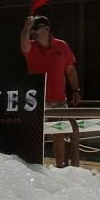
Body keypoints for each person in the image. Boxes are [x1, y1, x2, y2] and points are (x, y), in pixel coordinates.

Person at [20, 14, 81, 167]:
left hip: (59, 99)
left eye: (36, 28)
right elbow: (23, 44)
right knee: (36, 135)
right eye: (32, 29)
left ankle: (60, 167)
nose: (33, 32)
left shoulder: (61, 46)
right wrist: (26, 27)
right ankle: (35, 167)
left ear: (47, 29)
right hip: (37, 101)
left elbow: (70, 70)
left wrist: (76, 90)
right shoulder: (31, 46)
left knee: (59, 134)